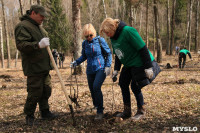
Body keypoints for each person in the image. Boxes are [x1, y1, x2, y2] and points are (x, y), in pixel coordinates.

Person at [100, 18, 161, 121]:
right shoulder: (113, 37)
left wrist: (148, 67)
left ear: (113, 28)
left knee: (135, 85)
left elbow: (143, 48)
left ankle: (141, 111)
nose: (107, 35)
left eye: (107, 32)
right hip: (129, 64)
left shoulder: (128, 31)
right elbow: (118, 54)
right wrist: (116, 70)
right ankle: (127, 111)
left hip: (141, 62)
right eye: (105, 33)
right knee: (123, 83)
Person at [15, 5, 55, 126]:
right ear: (33, 13)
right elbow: (21, 45)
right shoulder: (23, 26)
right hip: (34, 66)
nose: (43, 18)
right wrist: (37, 45)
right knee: (35, 92)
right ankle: (29, 115)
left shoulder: (39, 28)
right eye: (41, 15)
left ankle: (45, 111)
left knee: (46, 90)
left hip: (44, 66)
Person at [70, 23, 112, 120]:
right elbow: (84, 56)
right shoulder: (85, 44)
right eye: (86, 36)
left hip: (101, 68)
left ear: (94, 33)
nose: (89, 37)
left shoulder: (100, 41)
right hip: (90, 70)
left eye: (90, 35)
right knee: (92, 89)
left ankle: (100, 111)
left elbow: (108, 53)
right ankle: (96, 105)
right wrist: (76, 62)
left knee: (96, 87)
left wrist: (108, 66)